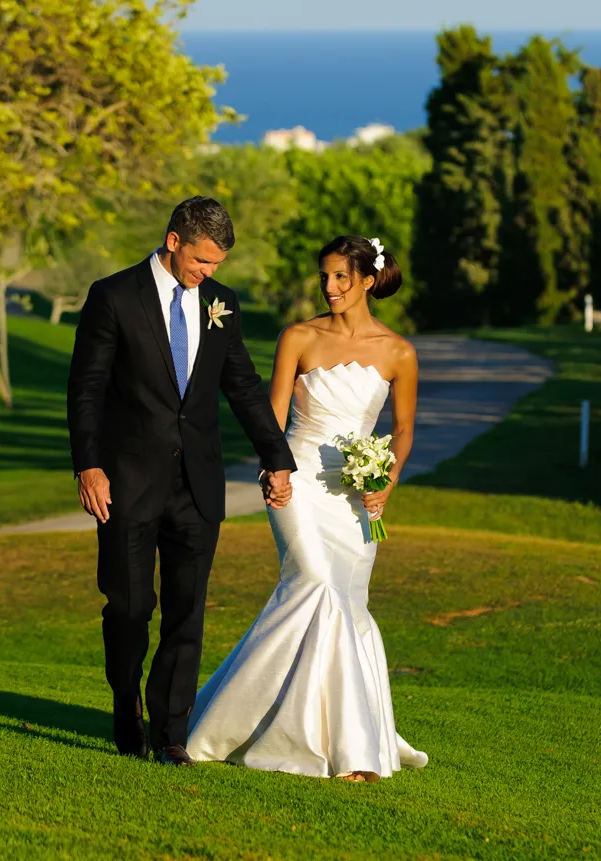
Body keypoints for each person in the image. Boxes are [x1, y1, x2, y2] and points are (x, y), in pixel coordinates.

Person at [185, 235, 429, 782]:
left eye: (342, 277)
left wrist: (386, 481)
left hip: (356, 496)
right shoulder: (298, 336)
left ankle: (347, 742)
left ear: (368, 281)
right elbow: (270, 414)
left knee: (345, 601)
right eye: (324, 277)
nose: (330, 287)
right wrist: (272, 468)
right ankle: (236, 728)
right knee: (315, 582)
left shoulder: (398, 352)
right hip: (296, 478)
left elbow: (405, 429)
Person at [67, 197, 297, 766]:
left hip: (198, 484)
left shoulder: (222, 304)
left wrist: (276, 456)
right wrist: (88, 465)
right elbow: (86, 389)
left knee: (186, 612)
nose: (208, 274)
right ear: (174, 241)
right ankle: (126, 704)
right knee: (129, 605)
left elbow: (242, 385)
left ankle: (172, 732)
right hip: (125, 481)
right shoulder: (113, 296)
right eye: (201, 261)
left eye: (217, 265)